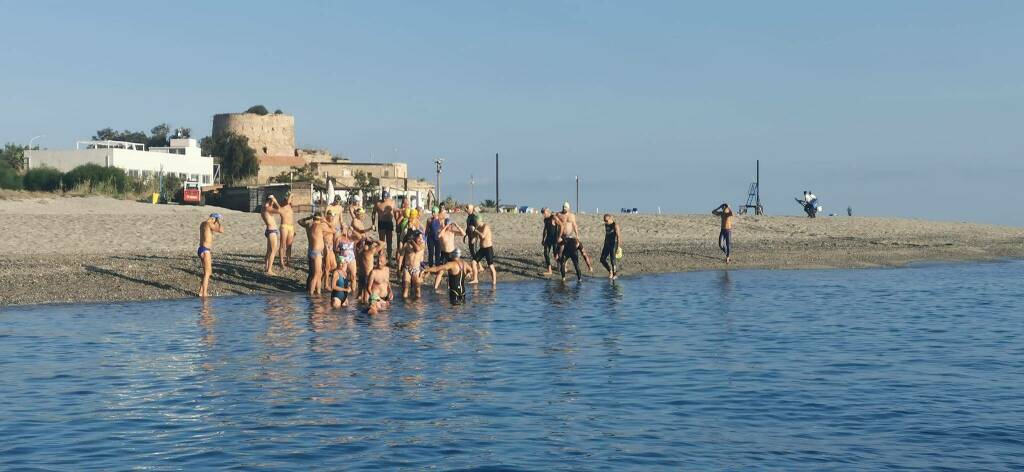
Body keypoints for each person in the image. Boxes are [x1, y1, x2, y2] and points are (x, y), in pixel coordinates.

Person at [298, 213, 329, 294]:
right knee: (316, 274)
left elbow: (299, 221)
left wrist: (309, 217)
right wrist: (325, 221)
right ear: (320, 219)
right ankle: (311, 292)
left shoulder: (308, 225)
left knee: (317, 273)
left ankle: (317, 292)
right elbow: (333, 230)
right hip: (316, 252)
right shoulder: (320, 226)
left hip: (311, 250)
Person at [433, 220, 466, 290]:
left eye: (451, 225)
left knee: (451, 272)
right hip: (444, 254)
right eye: (449, 225)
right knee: (441, 271)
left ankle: (450, 287)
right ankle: (435, 288)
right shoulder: (441, 231)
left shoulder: (452, 232)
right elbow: (439, 236)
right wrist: (445, 227)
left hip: (452, 254)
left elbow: (463, 234)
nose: (450, 226)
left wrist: (457, 226)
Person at [197, 213, 224, 297]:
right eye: (216, 220)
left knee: (208, 272)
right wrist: (218, 222)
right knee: (207, 273)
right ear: (213, 219)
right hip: (205, 250)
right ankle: (204, 293)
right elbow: (221, 230)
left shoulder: (203, 223)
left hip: (201, 249)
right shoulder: (209, 224)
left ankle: (201, 291)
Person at [400, 225, 426, 298]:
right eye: (419, 238)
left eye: (421, 237)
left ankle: (417, 307)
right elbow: (401, 256)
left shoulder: (422, 245)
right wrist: (399, 269)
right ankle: (405, 307)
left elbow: (417, 249)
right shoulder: (407, 245)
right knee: (406, 288)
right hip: (407, 268)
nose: (420, 239)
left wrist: (412, 240)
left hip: (416, 269)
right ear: (415, 237)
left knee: (417, 289)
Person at [468, 219, 497, 286]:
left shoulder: (486, 226)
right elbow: (476, 236)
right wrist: (473, 239)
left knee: (490, 265)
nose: (475, 223)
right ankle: (475, 279)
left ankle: (494, 283)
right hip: (482, 249)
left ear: (480, 221)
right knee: (473, 262)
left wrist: (475, 230)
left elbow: (483, 236)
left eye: (476, 221)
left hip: (488, 249)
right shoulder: (478, 227)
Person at [372, 192, 396, 261]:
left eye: (385, 197)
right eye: (383, 197)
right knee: (381, 242)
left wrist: (397, 222)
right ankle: (381, 258)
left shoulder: (392, 202)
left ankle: (390, 258)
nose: (384, 199)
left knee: (389, 241)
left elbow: (396, 212)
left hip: (389, 223)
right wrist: (373, 224)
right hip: (381, 223)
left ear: (388, 197)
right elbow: (373, 213)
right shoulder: (378, 203)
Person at [261, 195, 280, 275]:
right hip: (272, 230)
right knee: (273, 250)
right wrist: (275, 201)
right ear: (270, 200)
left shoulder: (264, 207)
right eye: (272, 201)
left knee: (269, 250)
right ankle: (269, 270)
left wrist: (272, 202)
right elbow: (279, 210)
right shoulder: (267, 208)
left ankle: (266, 266)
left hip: (270, 230)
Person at [600, 214, 621, 279]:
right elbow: (607, 234)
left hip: (614, 244)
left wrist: (618, 247)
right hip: (607, 243)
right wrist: (605, 241)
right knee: (602, 259)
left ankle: (615, 274)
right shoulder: (606, 224)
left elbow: (618, 237)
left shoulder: (615, 225)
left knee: (612, 259)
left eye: (606, 220)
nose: (605, 222)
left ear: (610, 219)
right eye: (604, 221)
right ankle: (610, 271)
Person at [278, 192, 296, 268]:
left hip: (291, 226)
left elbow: (292, 218)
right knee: (282, 245)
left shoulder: (290, 205)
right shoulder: (283, 204)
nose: (291, 199)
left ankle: (288, 261)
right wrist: (291, 195)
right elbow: (287, 201)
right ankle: (281, 261)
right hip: (284, 226)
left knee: (289, 245)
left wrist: (294, 229)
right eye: (289, 197)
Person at [541, 208, 559, 275]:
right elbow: (545, 230)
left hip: (555, 239)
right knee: (546, 253)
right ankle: (549, 270)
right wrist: (543, 239)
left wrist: (559, 237)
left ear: (548, 212)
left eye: (544, 213)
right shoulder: (545, 220)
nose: (543, 215)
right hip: (548, 239)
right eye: (542, 213)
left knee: (555, 255)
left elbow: (560, 225)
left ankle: (560, 266)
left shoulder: (553, 217)